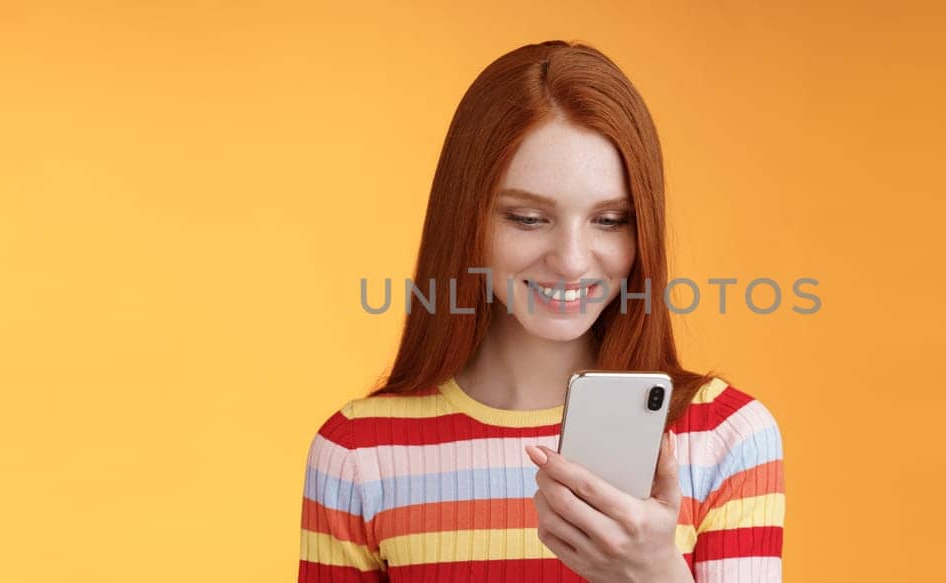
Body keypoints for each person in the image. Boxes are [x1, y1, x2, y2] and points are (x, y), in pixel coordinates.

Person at [299, 40, 784, 582]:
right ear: (466, 219)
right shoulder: (357, 454)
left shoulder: (726, 436)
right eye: (528, 218)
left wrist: (654, 575)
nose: (571, 262)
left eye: (610, 220)